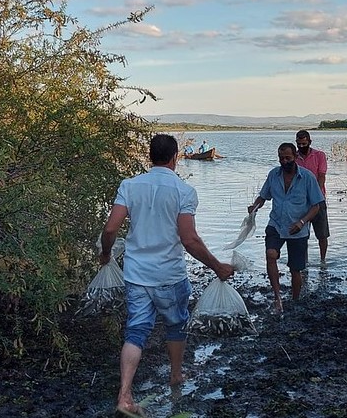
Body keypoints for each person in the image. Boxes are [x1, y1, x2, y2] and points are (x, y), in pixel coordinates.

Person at [99, 133, 234, 417]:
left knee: (136, 332)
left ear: (150, 156)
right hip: (169, 275)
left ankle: (124, 395)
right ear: (175, 157)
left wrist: (106, 254)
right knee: (175, 326)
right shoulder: (183, 191)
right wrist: (217, 266)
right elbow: (189, 239)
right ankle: (175, 375)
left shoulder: (130, 185)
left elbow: (110, 229)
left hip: (136, 274)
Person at [248, 142, 324, 313]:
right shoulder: (273, 175)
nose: (284, 162)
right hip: (276, 224)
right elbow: (263, 196)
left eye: (288, 158)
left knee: (295, 270)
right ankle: (277, 297)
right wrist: (255, 206)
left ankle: (295, 301)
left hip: (298, 229)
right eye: (281, 158)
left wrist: (302, 222)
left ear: (295, 157)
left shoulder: (308, 177)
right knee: (270, 254)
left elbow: (316, 206)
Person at [295, 129, 330, 263]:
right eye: (299, 144)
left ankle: (323, 261)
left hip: (318, 199)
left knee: (322, 234)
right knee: (301, 234)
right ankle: (304, 261)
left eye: (304, 144)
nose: (302, 147)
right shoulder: (295, 158)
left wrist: (315, 194)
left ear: (310, 142)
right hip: (301, 201)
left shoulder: (319, 155)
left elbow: (321, 176)